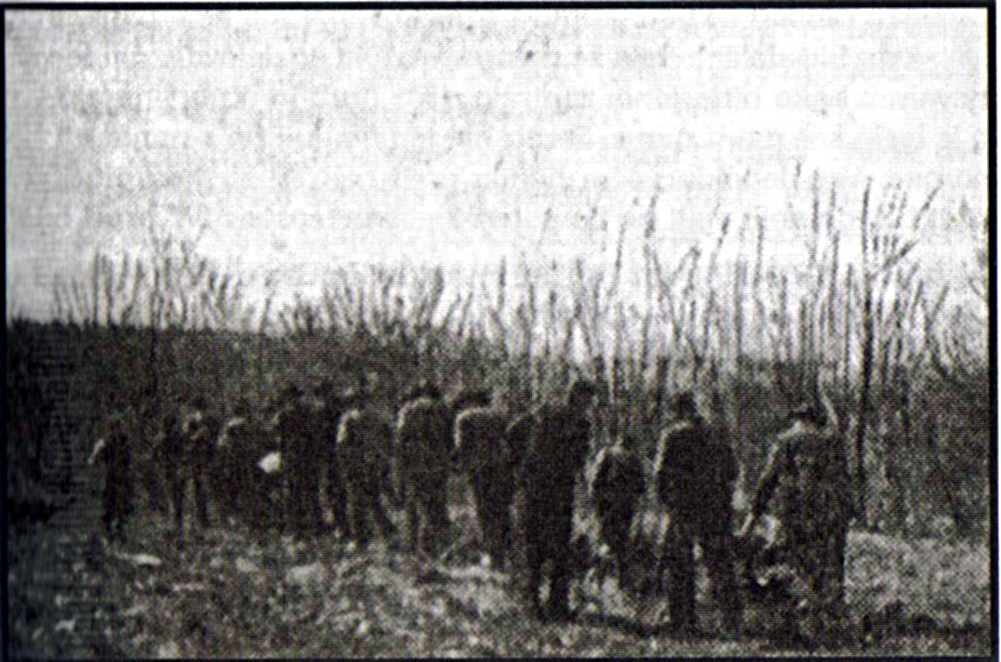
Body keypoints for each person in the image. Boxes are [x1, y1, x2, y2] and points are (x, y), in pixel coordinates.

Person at [739, 401, 851, 637]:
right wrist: (843, 517)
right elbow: (844, 484)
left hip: (793, 515)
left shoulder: (786, 441)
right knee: (822, 568)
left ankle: (792, 625)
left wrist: (752, 519)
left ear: (798, 419)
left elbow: (767, 481)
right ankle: (825, 623)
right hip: (825, 516)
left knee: (791, 567)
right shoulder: (831, 443)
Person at [653, 391, 742, 636]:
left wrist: (666, 502)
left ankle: (683, 621)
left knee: (679, 563)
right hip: (715, 508)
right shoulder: (717, 434)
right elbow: (733, 471)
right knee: (720, 564)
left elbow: (659, 474)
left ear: (676, 410)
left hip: (684, 508)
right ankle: (732, 622)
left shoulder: (672, 435)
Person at [509, 378, 597, 622]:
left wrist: (519, 466)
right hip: (554, 491)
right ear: (578, 396)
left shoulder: (543, 411)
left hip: (537, 488)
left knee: (537, 546)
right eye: (587, 399)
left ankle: (535, 605)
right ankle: (553, 606)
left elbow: (514, 432)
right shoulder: (580, 424)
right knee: (555, 548)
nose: (588, 405)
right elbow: (578, 460)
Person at [90, 407, 135, 541]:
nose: (116, 430)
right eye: (114, 428)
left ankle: (120, 529)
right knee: (110, 505)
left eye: (118, 427)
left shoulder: (125, 442)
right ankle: (110, 532)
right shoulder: (106, 443)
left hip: (123, 478)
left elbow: (130, 460)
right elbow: (94, 459)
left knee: (124, 505)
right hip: (112, 478)